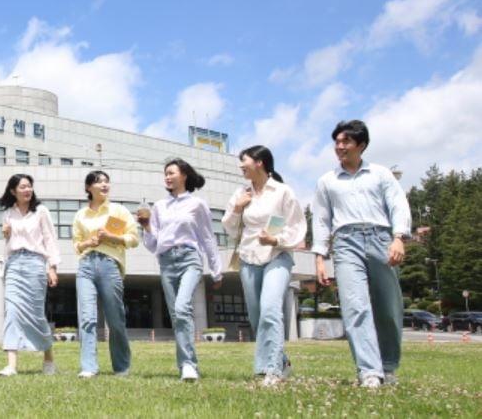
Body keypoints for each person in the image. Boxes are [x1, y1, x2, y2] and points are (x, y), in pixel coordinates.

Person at [312, 120, 411, 388]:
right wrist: (320, 257)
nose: (339, 147)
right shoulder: (327, 181)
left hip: (381, 238)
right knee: (355, 306)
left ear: (361, 145)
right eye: (337, 142)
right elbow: (321, 220)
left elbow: (398, 205)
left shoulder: (380, 174)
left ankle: (388, 366)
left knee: (388, 308)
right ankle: (369, 371)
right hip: (345, 243)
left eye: (346, 142)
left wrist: (398, 238)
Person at [222, 145, 306, 387]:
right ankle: (282, 361)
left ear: (260, 162)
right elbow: (229, 229)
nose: (240, 166)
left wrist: (276, 239)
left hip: (277, 255)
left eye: (244, 161)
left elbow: (296, 225)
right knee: (257, 316)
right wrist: (238, 208)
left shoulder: (282, 192)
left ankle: (272, 371)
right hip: (249, 256)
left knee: (270, 309)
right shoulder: (241, 193)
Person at [139, 158, 222, 382]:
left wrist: (216, 269)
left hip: (189, 259)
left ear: (184, 175)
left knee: (182, 307)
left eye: (171, 172)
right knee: (177, 316)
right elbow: (153, 245)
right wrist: (146, 228)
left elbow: (207, 237)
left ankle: (188, 365)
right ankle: (186, 364)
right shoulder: (159, 206)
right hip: (166, 262)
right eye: (165, 173)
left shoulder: (197, 204)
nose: (167, 177)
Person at [72, 170, 139, 379]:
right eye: (99, 182)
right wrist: (87, 242)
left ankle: (121, 367)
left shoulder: (118, 210)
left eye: (106, 182)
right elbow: (77, 245)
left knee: (115, 318)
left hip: (110, 265)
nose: (104, 185)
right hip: (86, 266)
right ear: (88, 188)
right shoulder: (81, 215)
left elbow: (133, 238)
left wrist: (111, 236)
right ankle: (89, 367)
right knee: (87, 318)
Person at [0, 174, 60, 376]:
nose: (27, 190)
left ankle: (48, 359)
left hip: (35, 263)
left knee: (36, 313)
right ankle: (11, 365)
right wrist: (6, 234)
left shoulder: (41, 211)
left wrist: (52, 267)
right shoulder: (8, 213)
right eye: (23, 187)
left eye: (29, 186)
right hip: (14, 263)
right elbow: (8, 242)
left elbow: (50, 239)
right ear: (13, 191)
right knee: (12, 311)